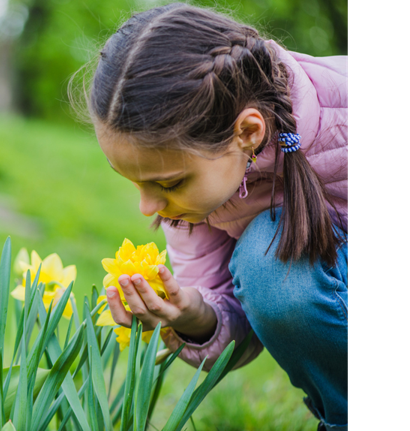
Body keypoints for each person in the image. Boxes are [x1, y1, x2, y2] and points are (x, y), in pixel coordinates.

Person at [75, 3, 348, 430]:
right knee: (270, 262)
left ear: (248, 133)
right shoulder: (198, 201)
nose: (148, 208)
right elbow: (243, 327)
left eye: (168, 183)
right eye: (135, 182)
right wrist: (191, 316)